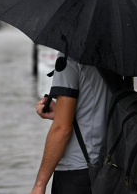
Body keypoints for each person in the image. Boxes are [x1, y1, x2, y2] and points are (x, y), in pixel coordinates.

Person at [30, 53, 111, 194]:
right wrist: (61, 113)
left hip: (76, 173)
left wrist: (40, 184)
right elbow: (103, 111)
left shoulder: (69, 58)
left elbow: (62, 129)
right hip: (110, 169)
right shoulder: (115, 57)